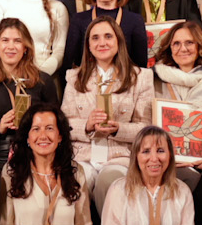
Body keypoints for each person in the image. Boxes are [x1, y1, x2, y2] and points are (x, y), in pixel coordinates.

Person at [62, 16, 157, 206]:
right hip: (82, 156)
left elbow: (146, 128)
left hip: (120, 156)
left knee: (110, 180)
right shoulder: (74, 77)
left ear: (118, 41)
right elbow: (64, 124)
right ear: (88, 45)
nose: (102, 43)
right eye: (95, 38)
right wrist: (87, 125)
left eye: (108, 36)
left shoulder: (141, 77)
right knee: (79, 181)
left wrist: (118, 129)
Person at [151, 19, 202, 187]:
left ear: (199, 46)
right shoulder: (154, 79)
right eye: (176, 43)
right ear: (170, 48)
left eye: (189, 42)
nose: (183, 48)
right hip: (163, 162)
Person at [0, 19, 59, 165]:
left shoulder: (43, 81)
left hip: (37, 154)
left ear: (26, 47)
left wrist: (35, 125)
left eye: (17, 41)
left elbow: (56, 125)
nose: (11, 47)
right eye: (5, 40)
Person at [60, 0, 151, 71]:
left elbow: (141, 68)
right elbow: (68, 67)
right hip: (87, 86)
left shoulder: (135, 21)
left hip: (126, 86)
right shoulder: (79, 20)